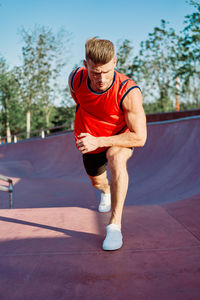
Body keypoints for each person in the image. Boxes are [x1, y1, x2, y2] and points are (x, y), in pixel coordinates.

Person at [68, 37, 147, 251]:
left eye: (106, 71)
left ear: (115, 62)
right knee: (97, 182)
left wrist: (100, 140)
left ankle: (114, 226)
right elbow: (79, 100)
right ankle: (106, 192)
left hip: (118, 137)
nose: (101, 78)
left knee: (116, 158)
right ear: (85, 66)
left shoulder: (128, 92)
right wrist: (90, 136)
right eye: (95, 72)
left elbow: (140, 137)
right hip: (89, 140)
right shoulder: (75, 79)